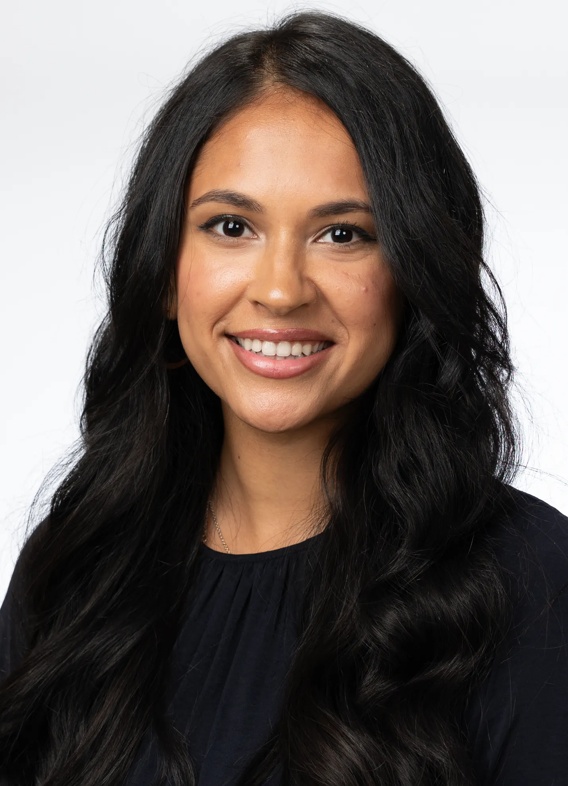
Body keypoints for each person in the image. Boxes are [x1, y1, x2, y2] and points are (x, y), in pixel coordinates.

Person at [0, 10, 567, 786]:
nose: (278, 290)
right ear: (165, 270)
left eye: (343, 235)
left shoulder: (531, 581)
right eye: (231, 226)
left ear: (414, 271)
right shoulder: (74, 567)